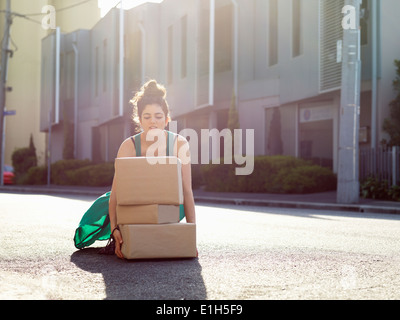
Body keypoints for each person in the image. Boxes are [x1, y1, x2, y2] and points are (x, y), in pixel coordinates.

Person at [74, 80, 196, 259]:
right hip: (133, 205)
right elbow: (116, 193)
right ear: (139, 120)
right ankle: (117, 235)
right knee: (103, 206)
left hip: (167, 207)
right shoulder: (128, 146)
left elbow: (187, 191)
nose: (152, 121)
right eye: (147, 117)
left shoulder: (179, 144)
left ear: (167, 119)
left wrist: (190, 237)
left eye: (158, 116)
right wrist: (115, 228)